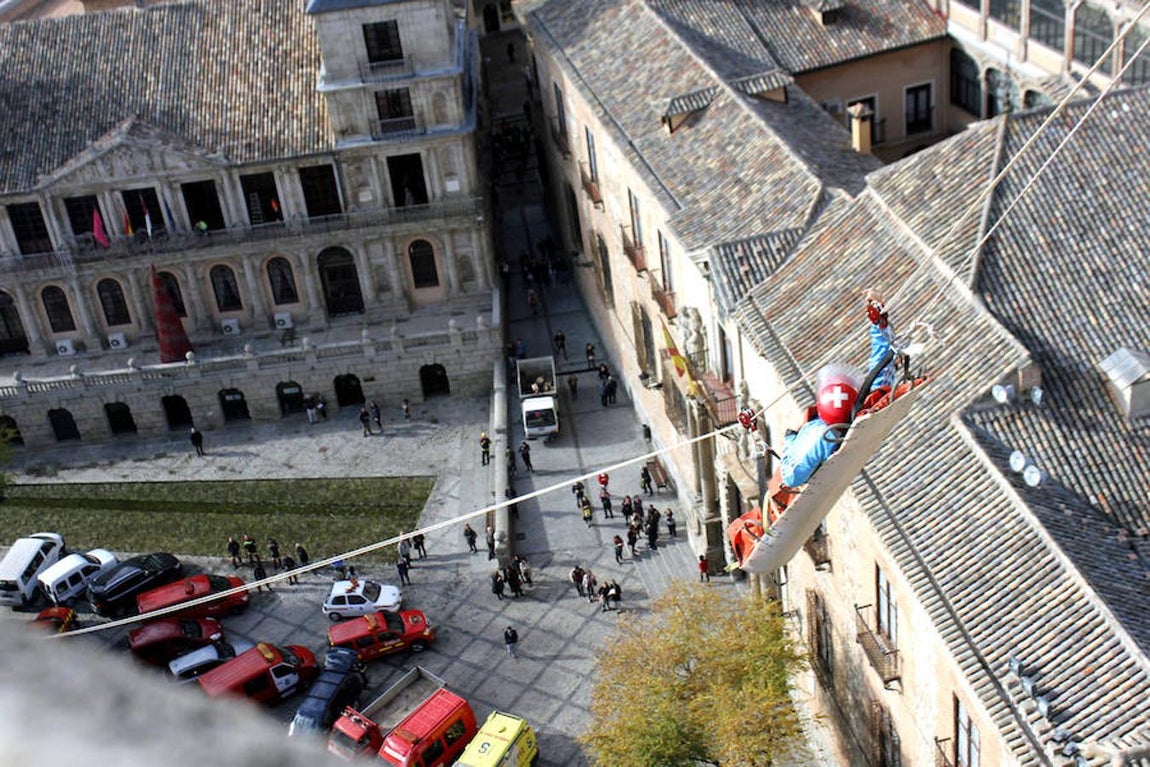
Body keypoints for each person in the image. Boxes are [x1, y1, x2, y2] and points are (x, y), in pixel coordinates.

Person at [780, 293, 896, 489]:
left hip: (801, 449)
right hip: (815, 438)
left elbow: (790, 477)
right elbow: (880, 367)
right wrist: (879, 326)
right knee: (878, 382)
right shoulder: (860, 411)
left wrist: (791, 437)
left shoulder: (816, 433)